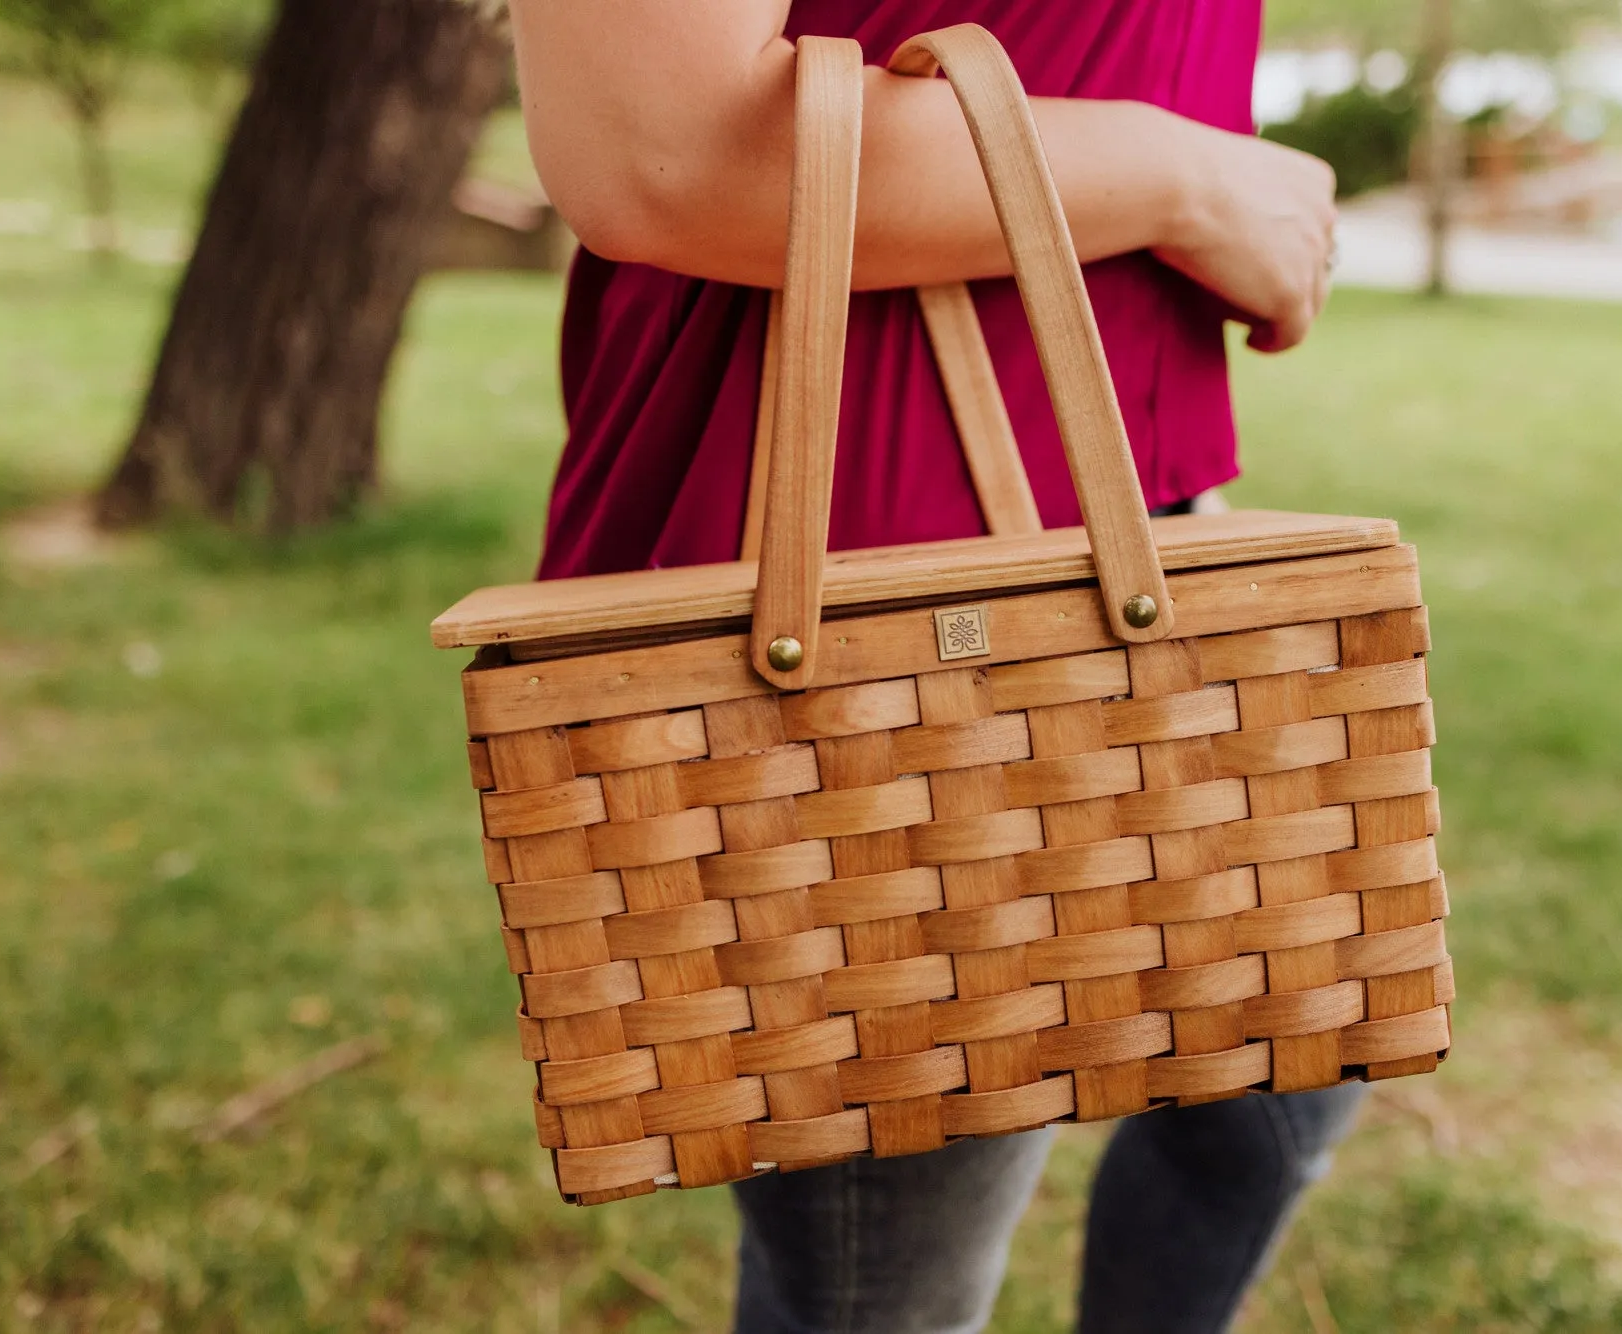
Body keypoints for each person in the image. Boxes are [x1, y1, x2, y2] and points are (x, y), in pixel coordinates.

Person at [509, 2, 1359, 1330]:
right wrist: (1185, 175)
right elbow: (655, 149)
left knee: (1296, 1062)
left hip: (1130, 501)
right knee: (887, 1289)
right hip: (870, 580)